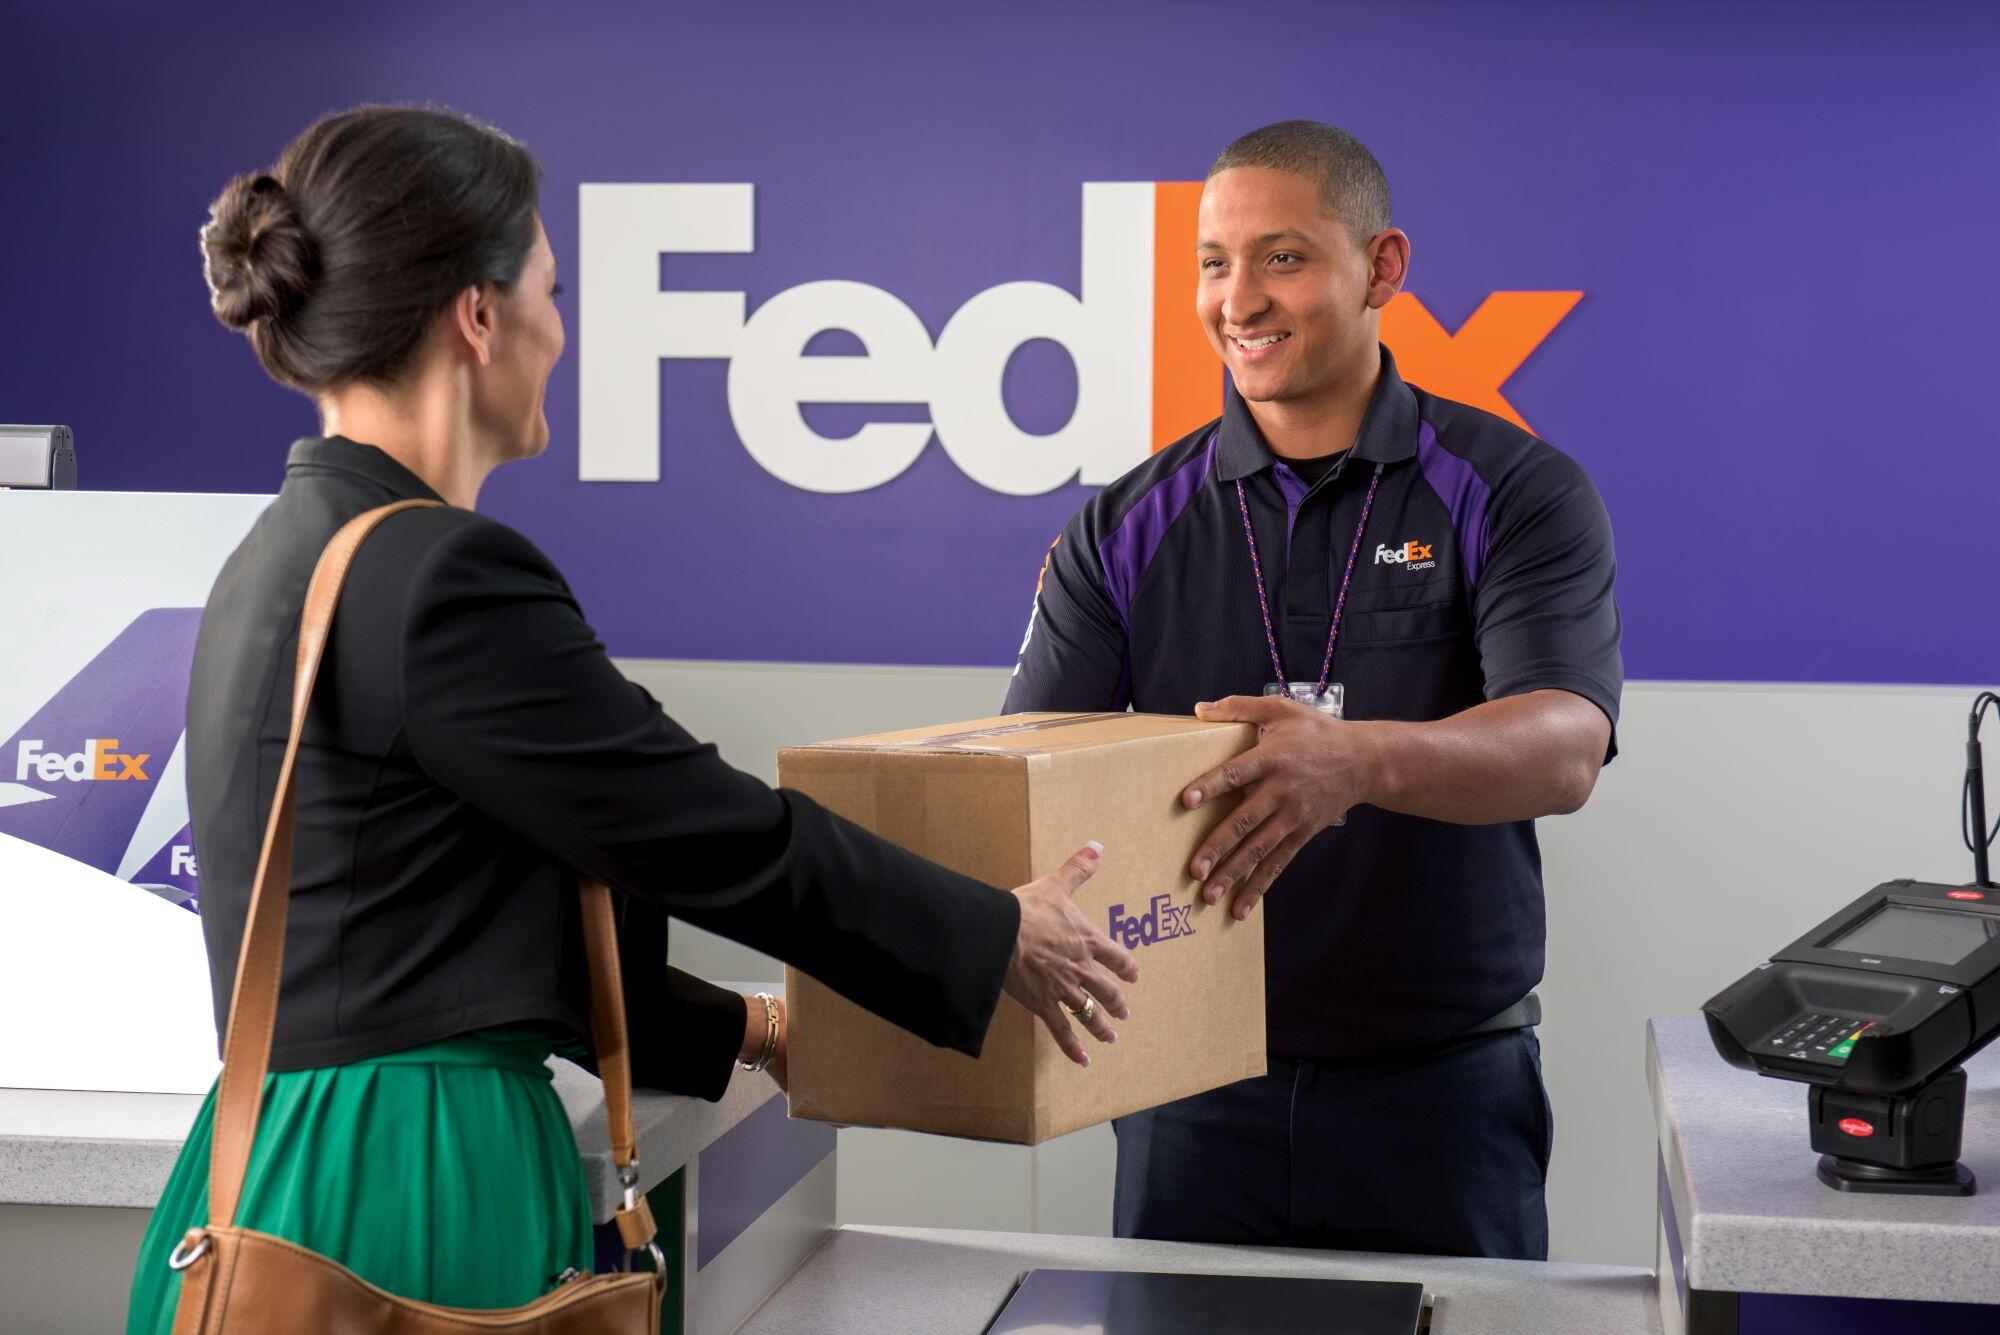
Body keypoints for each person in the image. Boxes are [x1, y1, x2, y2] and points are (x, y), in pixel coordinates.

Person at [127, 105, 1137, 1332]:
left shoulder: (280, 557)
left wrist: (751, 1027)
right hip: (415, 1175)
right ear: (478, 315)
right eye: (551, 290)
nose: (562, 330)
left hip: (272, 1161)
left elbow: (455, 927)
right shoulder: (441, 574)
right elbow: (703, 831)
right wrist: (993, 933)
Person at [1005, 120, 1622, 1260]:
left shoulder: (1515, 490)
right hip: (1188, 1090)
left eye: (1281, 258)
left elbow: (1565, 747)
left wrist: (1356, 761)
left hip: (1443, 1093)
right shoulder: (1123, 525)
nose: (1238, 299)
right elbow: (1028, 775)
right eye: (1214, 262)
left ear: (1381, 268)